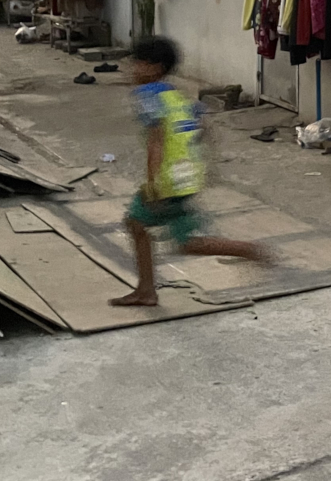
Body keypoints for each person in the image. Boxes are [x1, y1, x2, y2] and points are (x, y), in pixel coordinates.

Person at [110, 37, 265, 307]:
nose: (132, 69)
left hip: (168, 179)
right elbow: (202, 127)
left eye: (138, 63)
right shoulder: (174, 94)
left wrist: (153, 183)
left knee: (139, 224)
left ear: (155, 67)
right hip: (186, 176)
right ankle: (246, 250)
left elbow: (156, 141)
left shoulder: (147, 96)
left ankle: (148, 290)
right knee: (181, 240)